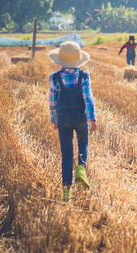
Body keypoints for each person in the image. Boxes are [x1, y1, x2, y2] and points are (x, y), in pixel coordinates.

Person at [48, 41, 97, 201]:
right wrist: (92, 118)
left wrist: (54, 119)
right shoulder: (83, 75)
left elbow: (52, 101)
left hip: (63, 119)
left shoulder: (55, 77)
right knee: (83, 144)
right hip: (80, 117)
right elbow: (87, 97)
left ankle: (66, 192)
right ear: (78, 59)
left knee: (67, 154)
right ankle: (81, 169)